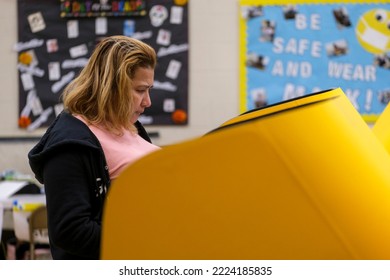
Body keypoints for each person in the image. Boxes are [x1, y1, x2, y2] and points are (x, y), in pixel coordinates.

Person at [28, 35, 161, 259]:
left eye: (149, 90)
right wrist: (146, 239)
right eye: (140, 90)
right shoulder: (70, 144)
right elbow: (71, 231)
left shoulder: (127, 125)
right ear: (112, 87)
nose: (147, 102)